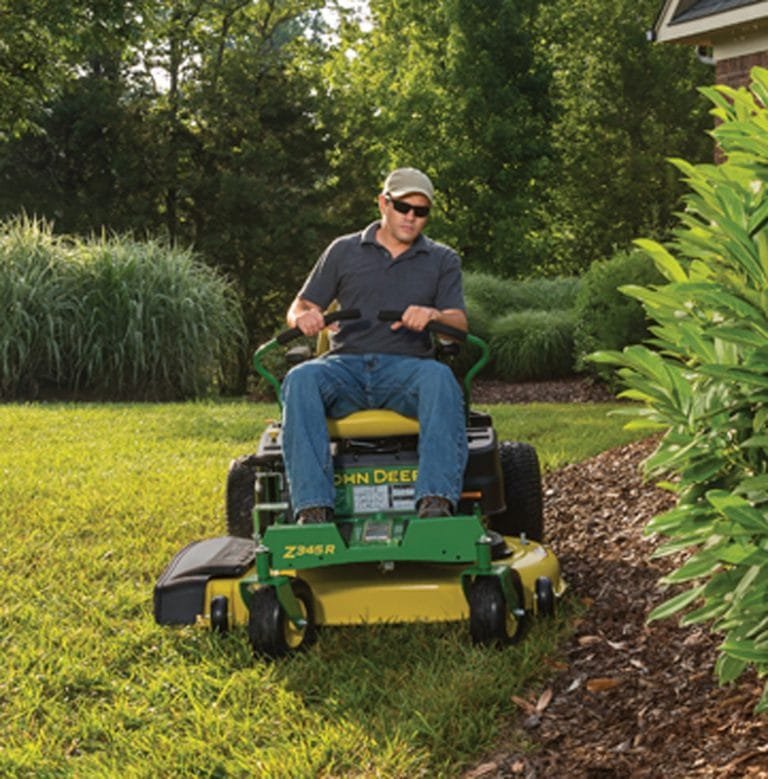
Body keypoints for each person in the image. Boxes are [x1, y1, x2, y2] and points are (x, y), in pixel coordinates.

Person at [282, 167, 469, 524]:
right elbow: (300, 306)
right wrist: (302, 318)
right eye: (403, 207)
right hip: (344, 368)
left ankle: (435, 504)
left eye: (421, 212)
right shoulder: (343, 250)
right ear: (384, 203)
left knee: (441, 379)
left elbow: (457, 325)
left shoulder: (443, 259)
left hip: (407, 371)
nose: (411, 218)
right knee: (301, 379)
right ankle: (312, 510)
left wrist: (432, 316)